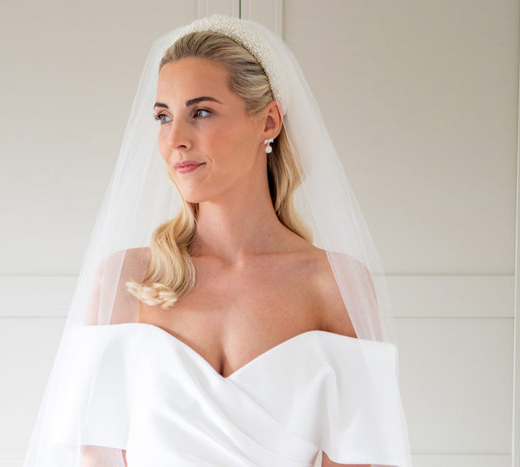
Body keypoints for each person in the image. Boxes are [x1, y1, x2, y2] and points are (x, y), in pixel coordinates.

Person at [22, 14, 412, 467]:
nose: (175, 141)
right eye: (163, 117)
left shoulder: (333, 284)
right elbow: (92, 454)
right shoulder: (126, 280)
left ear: (268, 122)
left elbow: (360, 458)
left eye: (201, 112)